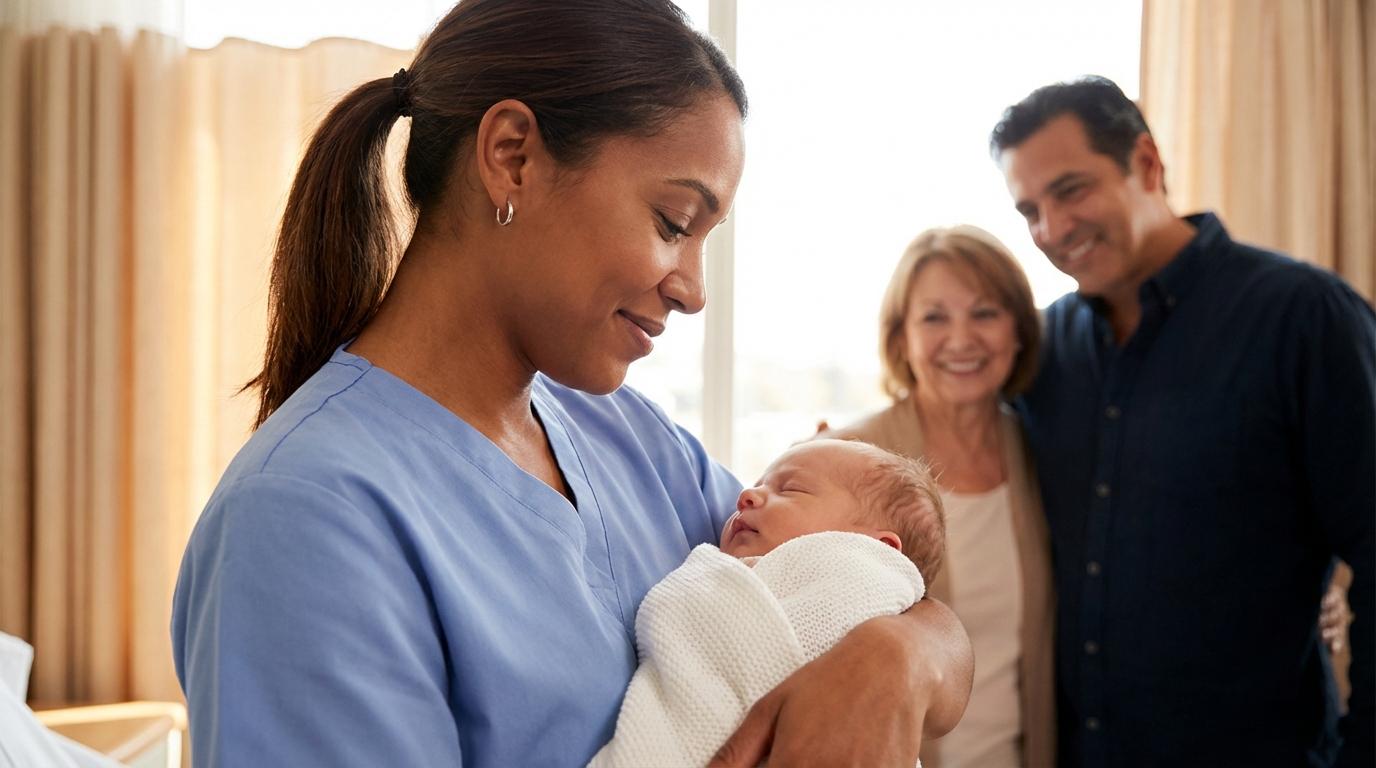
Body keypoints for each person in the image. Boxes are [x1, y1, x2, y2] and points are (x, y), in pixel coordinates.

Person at [170, 2, 974, 767]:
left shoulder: (630, 439)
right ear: (512, 156)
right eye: (673, 223)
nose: (694, 290)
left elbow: (864, 573)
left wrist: (897, 657)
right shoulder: (307, 518)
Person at [991, 76, 1374, 768]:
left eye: (1071, 190)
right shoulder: (1043, 353)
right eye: (1029, 210)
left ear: (1146, 163)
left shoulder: (1304, 318)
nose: (1051, 229)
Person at [823, 225, 1056, 768]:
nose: (961, 339)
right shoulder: (845, 457)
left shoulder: (1043, 454)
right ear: (901, 337)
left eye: (985, 313)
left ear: (1019, 332)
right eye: (934, 318)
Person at [590, 439, 944, 767]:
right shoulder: (732, 573)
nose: (746, 495)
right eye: (758, 484)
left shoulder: (865, 586)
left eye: (790, 489)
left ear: (876, 549)